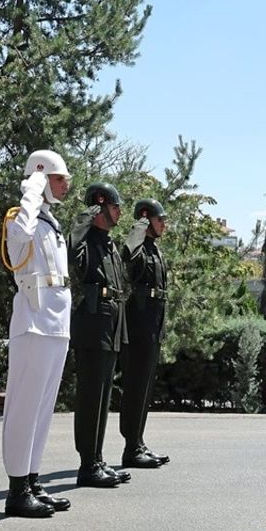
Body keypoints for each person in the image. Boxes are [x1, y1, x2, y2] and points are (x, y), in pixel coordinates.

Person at [0, 150, 74, 517]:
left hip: (56, 322)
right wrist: (31, 192)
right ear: (42, 179)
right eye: (58, 178)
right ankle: (16, 490)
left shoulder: (52, 223)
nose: (66, 184)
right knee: (25, 408)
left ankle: (31, 480)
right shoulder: (23, 218)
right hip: (33, 320)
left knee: (43, 409)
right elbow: (19, 237)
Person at [68, 182, 129, 488]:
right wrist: (83, 220)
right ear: (100, 207)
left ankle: (97, 458)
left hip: (111, 323)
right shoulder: (86, 240)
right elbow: (75, 259)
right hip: (93, 324)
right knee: (91, 396)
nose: (119, 212)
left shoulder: (109, 243)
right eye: (115, 206)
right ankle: (87, 464)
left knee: (103, 396)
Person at [120, 199, 172, 469]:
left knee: (146, 385)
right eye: (159, 219)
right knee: (136, 384)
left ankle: (138, 441)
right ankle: (131, 447)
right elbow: (128, 256)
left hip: (153, 319)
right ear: (146, 220)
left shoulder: (155, 249)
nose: (164, 224)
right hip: (139, 320)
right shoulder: (138, 248)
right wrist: (138, 228)